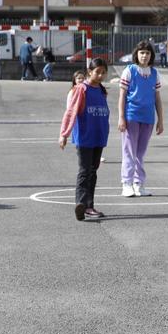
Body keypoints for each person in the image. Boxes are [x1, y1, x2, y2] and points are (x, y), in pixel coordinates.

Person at [59, 58, 110, 221]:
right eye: (97, 72)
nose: (101, 75)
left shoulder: (102, 90)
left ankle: (89, 205)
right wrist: (64, 133)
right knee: (84, 171)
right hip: (85, 137)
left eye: (103, 72)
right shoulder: (82, 89)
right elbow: (71, 111)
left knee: (93, 172)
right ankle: (81, 204)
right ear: (90, 72)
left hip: (98, 136)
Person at [118, 41, 164, 197]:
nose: (145, 55)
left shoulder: (155, 73)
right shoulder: (129, 71)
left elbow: (157, 98)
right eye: (142, 52)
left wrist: (160, 120)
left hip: (148, 118)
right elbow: (122, 96)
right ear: (136, 54)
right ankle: (126, 183)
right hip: (132, 116)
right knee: (129, 151)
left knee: (140, 153)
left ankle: (139, 184)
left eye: (148, 53)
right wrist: (121, 118)